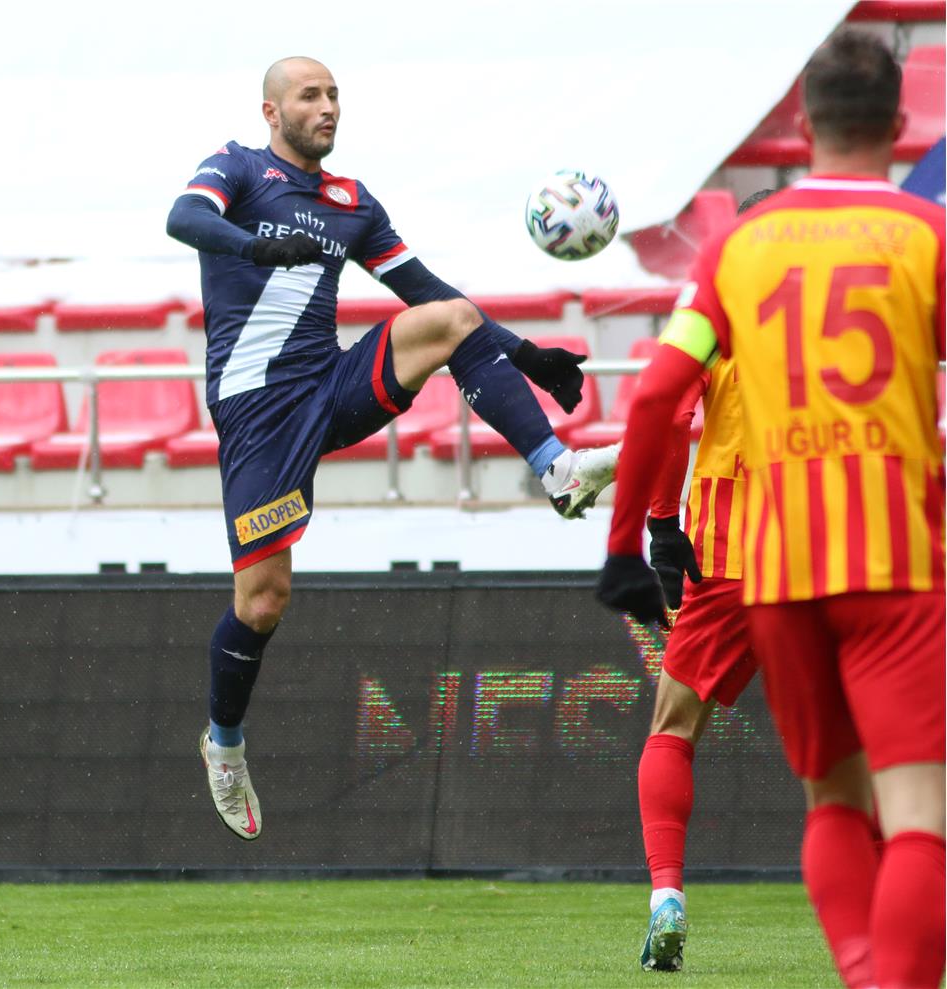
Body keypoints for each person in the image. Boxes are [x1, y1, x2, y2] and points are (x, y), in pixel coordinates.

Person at [166, 56, 619, 841]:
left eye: (334, 94)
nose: (328, 107)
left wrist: (526, 354)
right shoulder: (235, 167)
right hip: (259, 414)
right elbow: (183, 219)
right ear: (272, 111)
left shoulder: (353, 201)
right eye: (310, 95)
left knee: (452, 321)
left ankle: (558, 470)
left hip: (330, 383)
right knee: (264, 602)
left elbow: (426, 289)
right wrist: (254, 248)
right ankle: (225, 742)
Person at [597, 30, 944, 989]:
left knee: (798, 783)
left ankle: (671, 894)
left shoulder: (737, 253)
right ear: (900, 123)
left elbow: (657, 400)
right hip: (889, 552)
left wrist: (636, 539)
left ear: (802, 123)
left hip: (757, 556)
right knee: (914, 813)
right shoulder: (924, 234)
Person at [632, 189, 777, 973]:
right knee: (881, 740)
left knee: (673, 727)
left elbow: (664, 411)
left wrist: (662, 525)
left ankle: (667, 894)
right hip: (840, 549)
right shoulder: (848, 307)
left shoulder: (714, 315)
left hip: (729, 556)